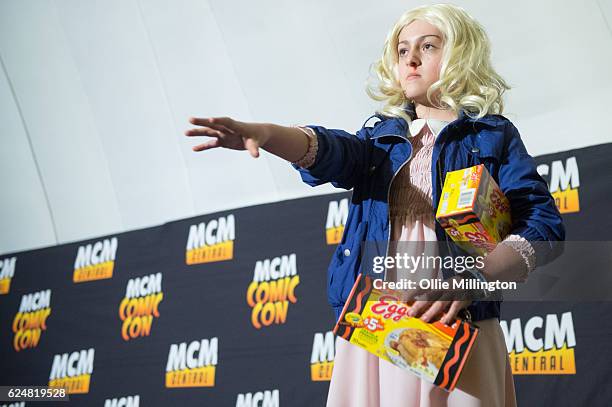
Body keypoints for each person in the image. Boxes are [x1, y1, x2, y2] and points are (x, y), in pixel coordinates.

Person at [185, 4, 564, 406]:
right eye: (402, 50)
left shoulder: (493, 134)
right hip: (381, 322)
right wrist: (267, 133)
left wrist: (473, 279)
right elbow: (331, 150)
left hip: (459, 324)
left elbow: (543, 225)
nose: (411, 59)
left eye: (428, 46)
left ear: (459, 55)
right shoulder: (379, 138)